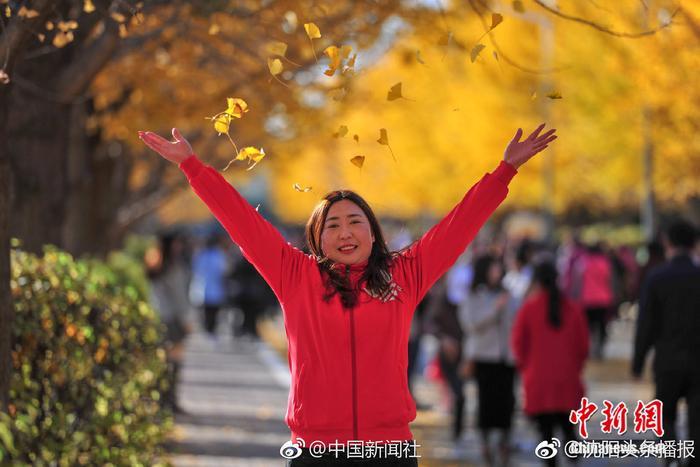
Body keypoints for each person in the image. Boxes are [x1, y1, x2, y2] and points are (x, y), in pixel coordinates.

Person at [138, 124, 557, 466]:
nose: (345, 232)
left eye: (355, 221)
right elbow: (241, 220)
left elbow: (458, 227)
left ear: (373, 233)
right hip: (315, 451)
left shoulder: (404, 274)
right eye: (332, 225)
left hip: (389, 450)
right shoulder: (294, 275)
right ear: (317, 239)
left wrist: (504, 171)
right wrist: (192, 166)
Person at [632, 220, 700, 467]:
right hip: (698, 361)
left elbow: (646, 324)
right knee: (697, 421)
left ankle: (671, 459)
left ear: (667, 243)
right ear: (694, 244)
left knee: (663, 416)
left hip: (668, 360)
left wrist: (638, 362)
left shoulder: (657, 277)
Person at [511, 260, 589, 467]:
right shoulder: (572, 309)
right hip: (567, 378)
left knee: (546, 435)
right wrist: (575, 367)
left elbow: (518, 345)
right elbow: (583, 346)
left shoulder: (529, 309)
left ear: (536, 282)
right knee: (567, 427)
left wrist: (527, 368)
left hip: (538, 380)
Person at [459, 254, 517, 466]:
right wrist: (495, 309)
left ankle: (505, 440)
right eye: (493, 269)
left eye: (498, 268)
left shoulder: (507, 294)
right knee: (486, 401)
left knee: (508, 401)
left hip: (506, 357)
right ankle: (485, 442)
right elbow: (471, 324)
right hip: (483, 357)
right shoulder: (473, 296)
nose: (497, 273)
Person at [145, 232, 193, 414]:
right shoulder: (173, 268)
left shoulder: (153, 265)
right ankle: (170, 400)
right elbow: (179, 298)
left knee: (161, 360)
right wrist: (187, 320)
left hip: (157, 317)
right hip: (173, 319)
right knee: (175, 361)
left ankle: (159, 399)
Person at [190, 234, 229, 344]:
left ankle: (208, 330)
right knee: (214, 311)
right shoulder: (218, 254)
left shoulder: (201, 254)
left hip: (203, 288)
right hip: (215, 288)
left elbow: (196, 269)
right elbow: (224, 270)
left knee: (206, 311)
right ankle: (211, 330)